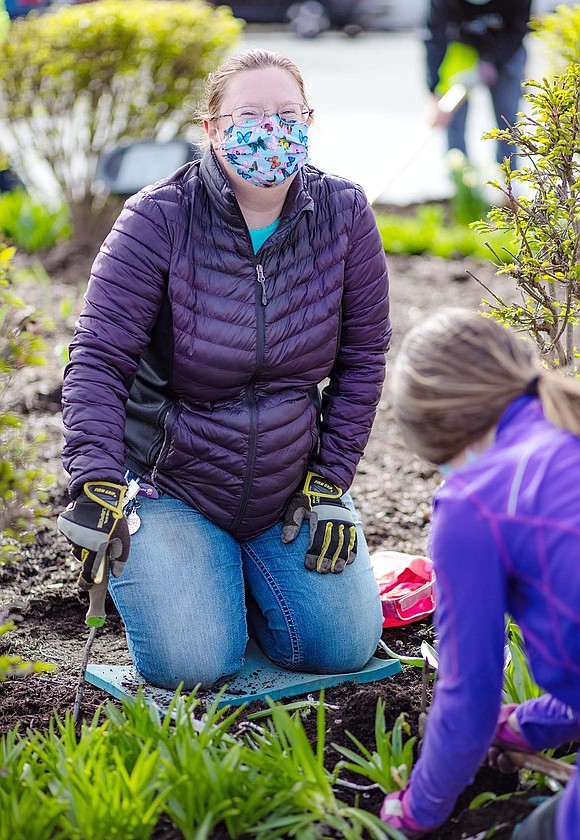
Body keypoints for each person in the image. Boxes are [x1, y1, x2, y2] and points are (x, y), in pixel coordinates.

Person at [57, 49, 391, 691]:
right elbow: (98, 359)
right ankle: (196, 575)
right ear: (211, 128)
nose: (272, 128)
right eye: (249, 114)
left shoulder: (344, 215)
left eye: (287, 114)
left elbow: (361, 360)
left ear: (309, 121)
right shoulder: (157, 218)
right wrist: (96, 476)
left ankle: (242, 580)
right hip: (172, 485)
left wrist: (330, 479)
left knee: (344, 646)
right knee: (193, 665)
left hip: (288, 487)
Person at [381, 308, 580, 839]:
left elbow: (469, 700)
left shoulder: (475, 502)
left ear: (439, 433)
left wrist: (416, 810)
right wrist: (526, 725)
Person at [426, 0, 532, 167]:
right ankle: (461, 176)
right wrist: (435, 89)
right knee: (454, 118)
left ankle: (508, 180)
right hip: (462, 49)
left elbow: (517, 30)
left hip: (505, 49)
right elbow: (435, 37)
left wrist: (491, 61)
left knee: (507, 116)